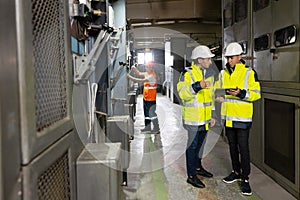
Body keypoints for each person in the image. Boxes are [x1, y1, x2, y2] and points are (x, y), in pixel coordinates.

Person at [216, 42, 261, 196]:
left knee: (243, 148)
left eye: (232, 57)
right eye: (228, 57)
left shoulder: (249, 72)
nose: (229, 60)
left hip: (242, 118)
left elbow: (256, 93)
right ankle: (235, 172)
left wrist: (241, 93)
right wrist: (219, 97)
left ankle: (245, 178)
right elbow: (217, 91)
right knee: (232, 147)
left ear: (240, 56)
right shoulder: (223, 73)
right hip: (228, 117)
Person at [177, 45, 216, 188]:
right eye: (208, 59)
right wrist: (196, 86)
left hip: (205, 119)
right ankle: (191, 175)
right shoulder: (187, 74)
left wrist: (212, 114)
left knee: (200, 146)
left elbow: (209, 97)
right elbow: (182, 94)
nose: (210, 62)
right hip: (193, 119)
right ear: (199, 60)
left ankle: (198, 168)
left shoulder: (206, 74)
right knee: (192, 147)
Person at [127, 61, 160, 134]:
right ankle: (147, 127)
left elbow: (140, 80)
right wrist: (134, 68)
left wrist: (129, 76)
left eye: (147, 67)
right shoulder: (147, 73)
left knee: (152, 113)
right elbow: (139, 73)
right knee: (146, 113)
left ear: (151, 68)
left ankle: (156, 128)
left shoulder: (152, 76)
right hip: (146, 97)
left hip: (151, 99)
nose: (146, 68)